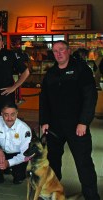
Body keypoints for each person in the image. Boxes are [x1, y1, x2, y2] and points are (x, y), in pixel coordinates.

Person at [40, 40, 100, 200]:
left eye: (61, 50)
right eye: (55, 51)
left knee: (83, 163)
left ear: (68, 50)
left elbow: (90, 97)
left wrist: (84, 122)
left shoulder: (81, 70)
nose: (58, 53)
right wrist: (44, 121)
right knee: (53, 162)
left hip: (77, 125)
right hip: (54, 126)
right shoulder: (51, 73)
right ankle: (52, 193)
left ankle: (91, 196)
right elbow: (43, 99)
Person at [0, 103, 31, 187]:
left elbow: (25, 154)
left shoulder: (24, 129)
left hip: (17, 155)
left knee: (18, 178)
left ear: (17, 113)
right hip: (2, 153)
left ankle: (12, 171)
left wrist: (8, 163)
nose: (9, 118)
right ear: (1, 114)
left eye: (12, 114)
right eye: (6, 115)